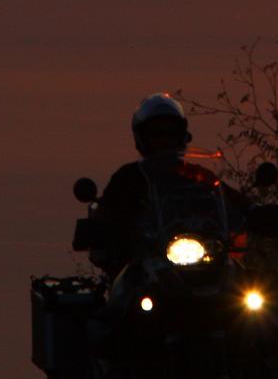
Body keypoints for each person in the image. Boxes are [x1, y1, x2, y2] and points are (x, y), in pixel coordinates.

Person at [90, 93, 247, 275]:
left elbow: (231, 199)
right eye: (156, 134)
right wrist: (101, 227)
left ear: (182, 136)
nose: (164, 140)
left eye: (171, 133)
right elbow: (106, 212)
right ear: (142, 138)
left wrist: (257, 211)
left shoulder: (198, 176)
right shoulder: (127, 179)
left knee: (253, 292)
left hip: (205, 261)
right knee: (126, 290)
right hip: (144, 265)